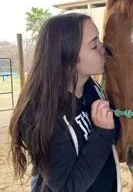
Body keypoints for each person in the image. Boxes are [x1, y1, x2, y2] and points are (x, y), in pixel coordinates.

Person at [9, 13, 120, 192]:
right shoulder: (42, 114)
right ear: (69, 57)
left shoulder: (91, 88)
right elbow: (66, 188)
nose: (103, 48)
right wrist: (103, 133)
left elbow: (114, 135)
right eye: (94, 45)